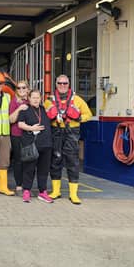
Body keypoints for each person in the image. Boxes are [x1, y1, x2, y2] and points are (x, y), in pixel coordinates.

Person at [45, 74, 92, 205]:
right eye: (60, 83)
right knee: (55, 161)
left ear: (69, 85)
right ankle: (56, 191)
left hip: (72, 132)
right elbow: (43, 115)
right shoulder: (49, 100)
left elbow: (88, 114)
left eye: (65, 83)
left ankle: (73, 194)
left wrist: (78, 118)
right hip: (56, 132)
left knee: (73, 162)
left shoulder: (77, 100)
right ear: (56, 85)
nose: (62, 86)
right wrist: (51, 117)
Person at [17, 89, 53, 203]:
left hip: (46, 144)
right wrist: (32, 128)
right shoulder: (25, 109)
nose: (36, 100)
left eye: (38, 97)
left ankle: (43, 192)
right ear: (29, 98)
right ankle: (26, 191)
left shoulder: (44, 109)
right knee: (29, 169)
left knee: (43, 170)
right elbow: (20, 124)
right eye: (33, 97)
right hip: (31, 144)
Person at [9, 80, 30, 195]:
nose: (21, 90)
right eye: (19, 88)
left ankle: (28, 184)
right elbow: (11, 120)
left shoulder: (32, 101)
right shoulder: (13, 102)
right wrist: (19, 108)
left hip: (29, 135)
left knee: (30, 160)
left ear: (27, 89)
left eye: (23, 88)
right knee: (18, 160)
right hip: (17, 134)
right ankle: (19, 184)